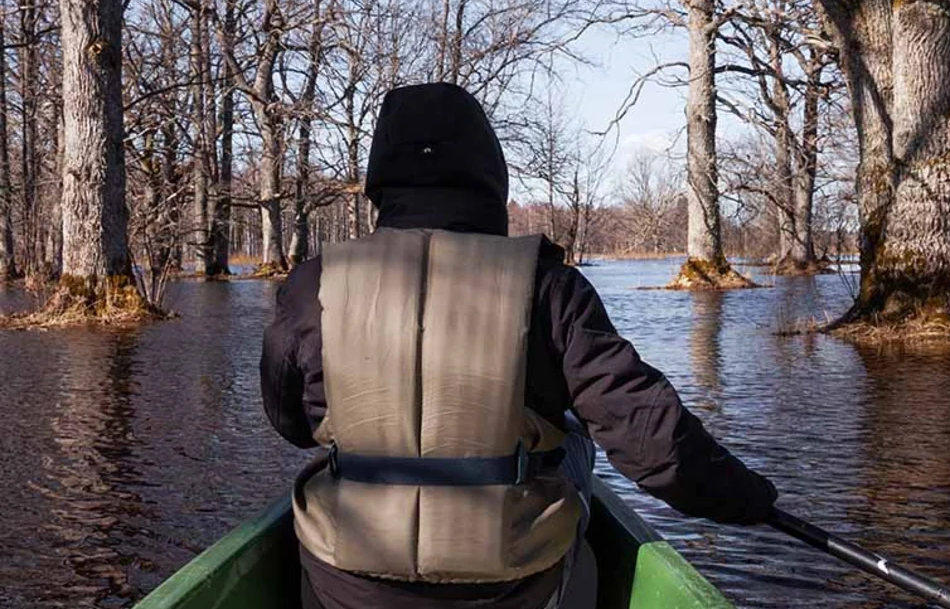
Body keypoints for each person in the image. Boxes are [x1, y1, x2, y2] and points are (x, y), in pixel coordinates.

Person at [260, 82, 777, 609]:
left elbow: (292, 426)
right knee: (575, 435)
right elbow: (651, 442)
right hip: (509, 587)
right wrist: (743, 497)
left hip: (348, 579)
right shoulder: (550, 286)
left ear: (380, 179)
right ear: (489, 173)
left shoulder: (311, 285)